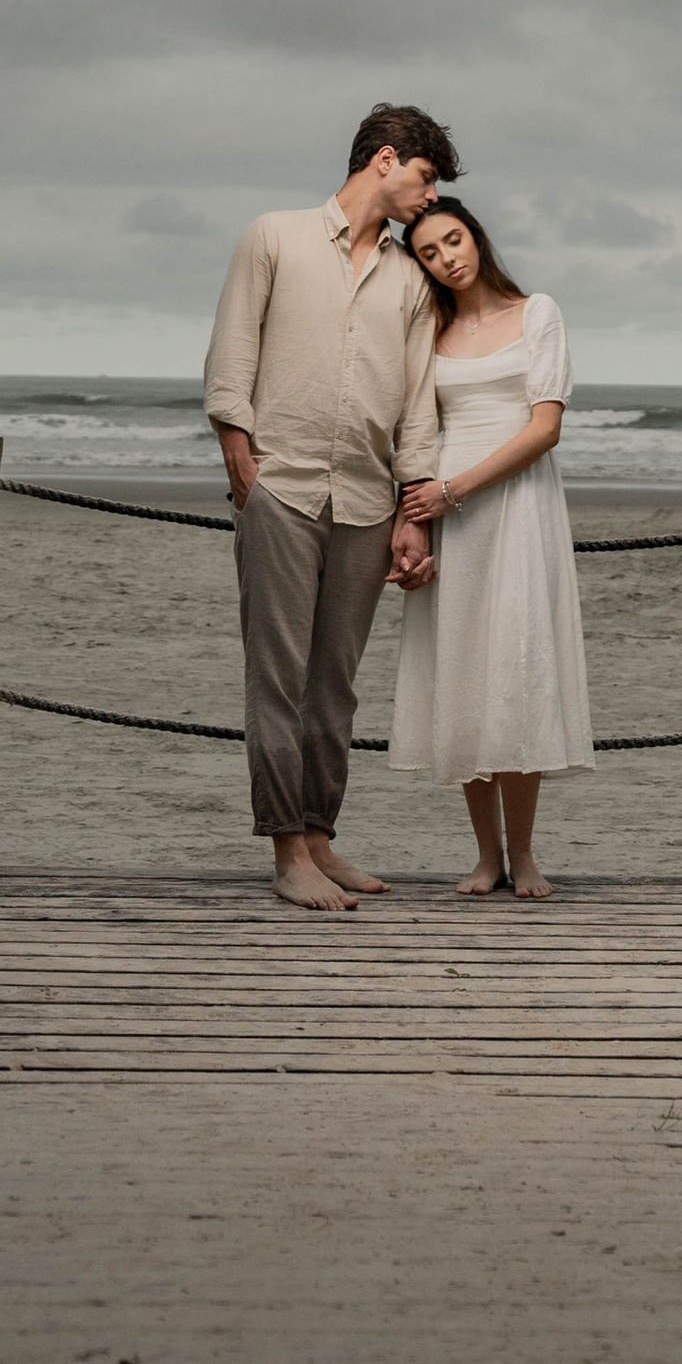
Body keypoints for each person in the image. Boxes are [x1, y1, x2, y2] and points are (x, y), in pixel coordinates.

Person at [202, 104, 458, 915]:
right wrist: (236, 444)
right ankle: (285, 853)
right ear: (386, 160)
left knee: (335, 684)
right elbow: (233, 348)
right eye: (423, 179)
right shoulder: (272, 236)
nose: (428, 199)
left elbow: (418, 400)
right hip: (279, 486)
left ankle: (318, 838)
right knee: (276, 678)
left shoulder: (412, 279)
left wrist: (412, 508)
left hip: (366, 497)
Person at [386, 198, 592, 898]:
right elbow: (412, 430)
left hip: (516, 507)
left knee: (517, 670)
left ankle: (526, 853)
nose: (449, 258)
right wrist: (416, 513)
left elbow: (544, 429)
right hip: (451, 513)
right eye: (431, 253)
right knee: (466, 673)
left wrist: (455, 489)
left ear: (476, 235)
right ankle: (486, 857)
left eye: (454, 240)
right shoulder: (427, 332)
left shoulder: (537, 312)